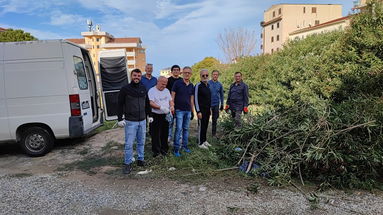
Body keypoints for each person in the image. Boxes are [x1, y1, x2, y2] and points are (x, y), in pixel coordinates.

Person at [117, 69, 151, 174]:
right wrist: (119, 118)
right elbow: (119, 104)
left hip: (142, 120)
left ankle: (140, 159)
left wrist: (150, 115)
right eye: (135, 75)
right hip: (130, 121)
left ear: (141, 77)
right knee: (129, 143)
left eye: (139, 76)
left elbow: (147, 103)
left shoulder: (143, 88)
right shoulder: (125, 89)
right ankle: (128, 163)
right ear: (131, 76)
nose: (137, 77)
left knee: (141, 142)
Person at [148, 76, 174, 157]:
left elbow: (170, 100)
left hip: (165, 115)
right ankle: (156, 152)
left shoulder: (166, 90)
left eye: (165, 84)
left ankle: (164, 150)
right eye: (162, 84)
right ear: (158, 82)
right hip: (155, 115)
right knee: (155, 134)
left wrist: (172, 106)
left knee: (165, 133)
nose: (164, 86)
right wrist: (160, 107)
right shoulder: (152, 90)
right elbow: (151, 103)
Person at [171, 66, 194, 157]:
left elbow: (192, 99)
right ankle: (176, 149)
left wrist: (192, 111)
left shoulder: (191, 85)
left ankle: (185, 146)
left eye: (189, 73)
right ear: (182, 73)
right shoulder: (177, 83)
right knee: (178, 129)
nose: (187, 74)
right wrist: (172, 107)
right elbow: (172, 97)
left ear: (191, 74)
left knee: (186, 129)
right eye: (185, 72)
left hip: (188, 111)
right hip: (179, 110)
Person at [194, 69, 212, 149]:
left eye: (206, 75)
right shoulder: (198, 85)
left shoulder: (208, 85)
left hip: (207, 110)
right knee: (201, 126)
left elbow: (208, 98)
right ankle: (200, 143)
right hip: (201, 110)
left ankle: (204, 140)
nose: (205, 77)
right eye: (203, 75)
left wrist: (210, 108)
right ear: (200, 76)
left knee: (206, 125)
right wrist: (198, 111)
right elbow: (195, 99)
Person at [166, 65, 182, 142]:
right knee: (170, 122)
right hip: (170, 104)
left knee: (179, 122)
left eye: (177, 70)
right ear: (171, 71)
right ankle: (169, 136)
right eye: (174, 70)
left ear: (179, 71)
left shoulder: (182, 80)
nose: (176, 71)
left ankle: (179, 137)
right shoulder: (168, 80)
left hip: (180, 104)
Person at [141, 63, 157, 136]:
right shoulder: (141, 78)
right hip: (143, 101)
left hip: (152, 101)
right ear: (145, 69)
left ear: (152, 70)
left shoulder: (155, 79)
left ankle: (151, 132)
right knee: (144, 117)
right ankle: (144, 132)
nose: (149, 70)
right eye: (148, 68)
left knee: (152, 117)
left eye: (151, 68)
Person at [208, 70, 224, 137]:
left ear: (218, 76)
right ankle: (202, 134)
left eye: (216, 74)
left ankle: (213, 134)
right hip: (208, 104)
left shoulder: (220, 84)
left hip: (216, 104)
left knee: (215, 119)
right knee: (206, 119)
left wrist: (222, 104)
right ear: (211, 75)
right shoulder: (208, 83)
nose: (215, 76)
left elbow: (221, 95)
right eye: (214, 74)